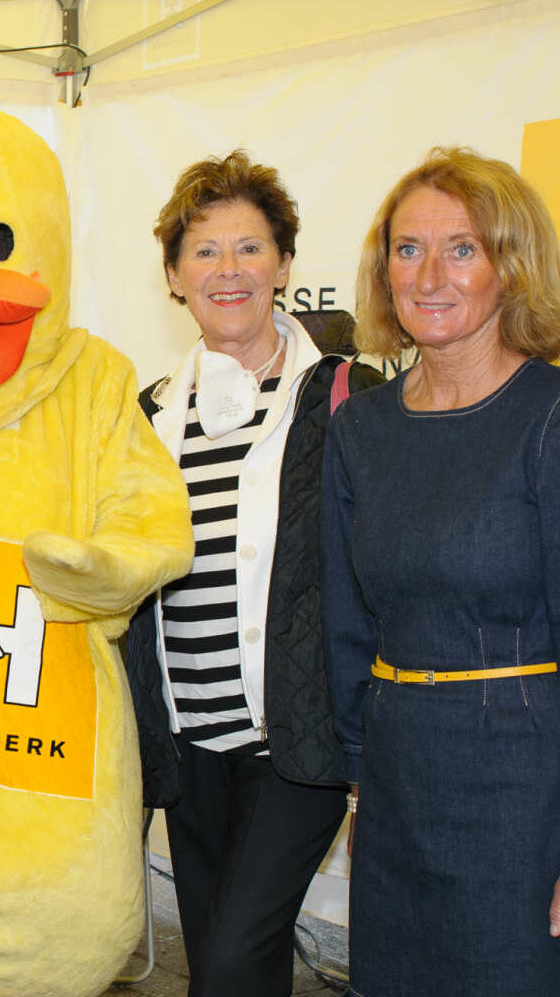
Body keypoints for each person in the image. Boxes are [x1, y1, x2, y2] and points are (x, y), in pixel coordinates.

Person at [324, 146, 560, 996]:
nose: (429, 275)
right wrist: (358, 793)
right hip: (398, 790)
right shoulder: (361, 432)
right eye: (407, 248)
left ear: (511, 265)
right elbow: (349, 627)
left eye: (462, 248)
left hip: (530, 796)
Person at [122, 150, 383, 997]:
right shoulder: (146, 414)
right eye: (203, 251)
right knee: (235, 964)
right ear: (172, 274)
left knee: (229, 967)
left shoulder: (346, 397)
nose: (226, 271)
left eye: (249, 248)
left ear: (284, 264)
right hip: (183, 741)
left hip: (294, 745)